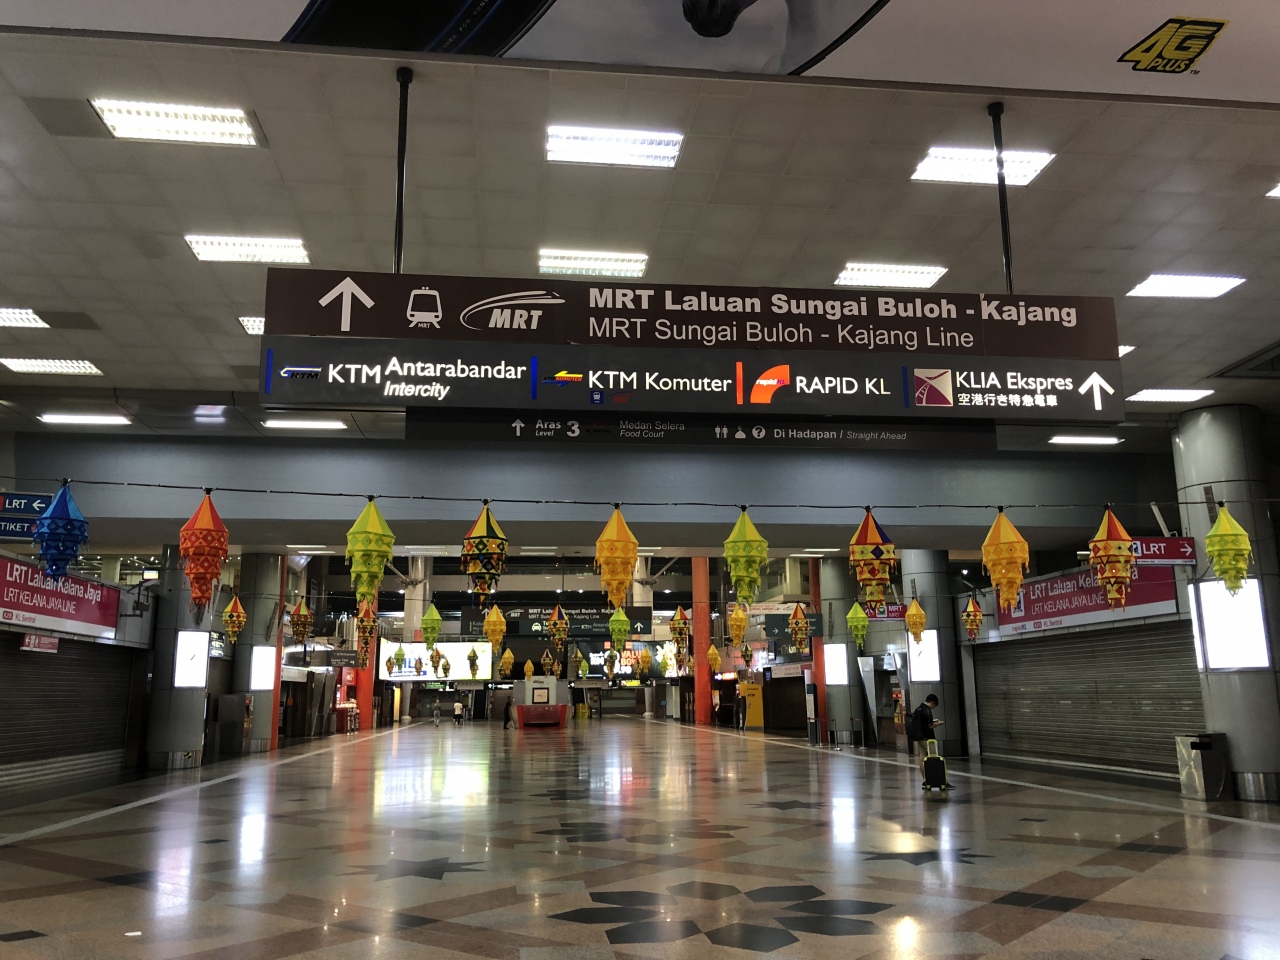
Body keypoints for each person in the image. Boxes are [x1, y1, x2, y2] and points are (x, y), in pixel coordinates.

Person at [908, 694, 944, 778]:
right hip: (927, 738)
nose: (932, 708)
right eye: (934, 706)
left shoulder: (918, 709)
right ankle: (936, 779)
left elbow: (920, 723)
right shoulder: (927, 710)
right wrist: (939, 723)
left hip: (919, 737)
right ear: (932, 703)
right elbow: (930, 725)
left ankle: (925, 779)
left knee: (922, 758)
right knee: (933, 757)